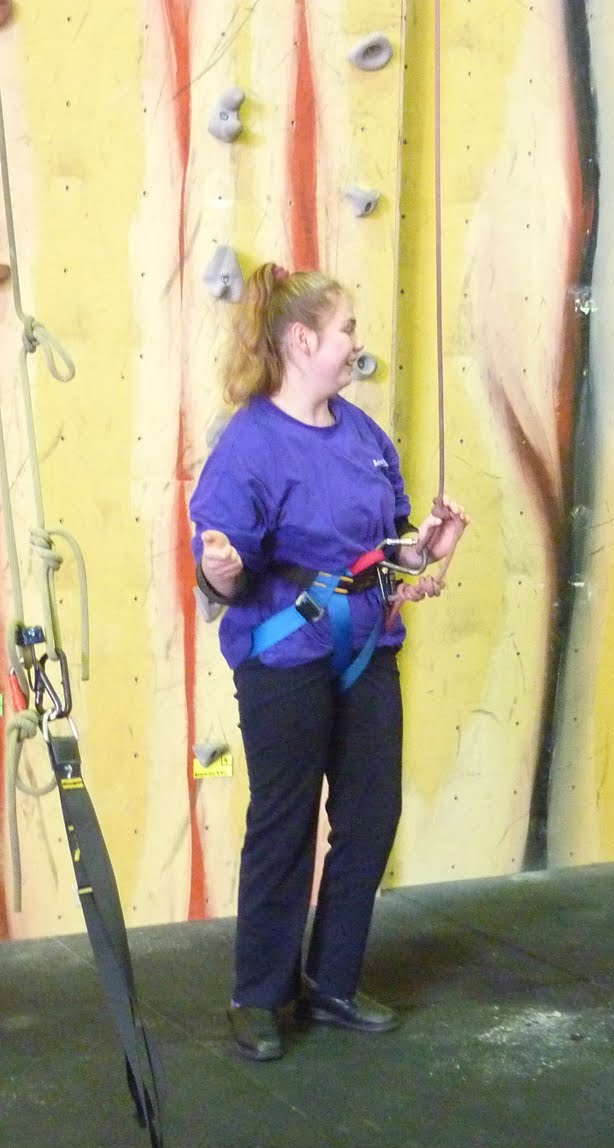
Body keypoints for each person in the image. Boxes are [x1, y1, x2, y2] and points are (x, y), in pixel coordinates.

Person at [189, 262, 469, 1063]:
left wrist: (426, 548)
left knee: (371, 815)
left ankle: (333, 981)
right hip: (285, 655)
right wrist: (221, 569)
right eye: (346, 330)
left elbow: (389, 548)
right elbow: (222, 572)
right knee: (284, 821)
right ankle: (258, 994)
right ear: (301, 341)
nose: (356, 343)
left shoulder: (363, 436)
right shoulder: (249, 445)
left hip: (364, 649)